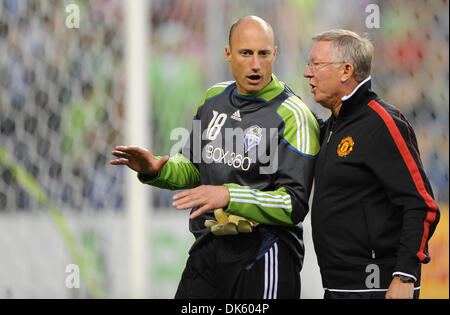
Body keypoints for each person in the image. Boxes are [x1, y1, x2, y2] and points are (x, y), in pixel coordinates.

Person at [110, 15, 320, 298]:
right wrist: (156, 170)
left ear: (275, 54)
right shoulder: (213, 98)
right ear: (228, 54)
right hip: (208, 250)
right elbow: (195, 169)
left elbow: (294, 203)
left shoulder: (294, 115)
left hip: (264, 253)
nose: (255, 64)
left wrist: (229, 196)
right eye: (246, 53)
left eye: (263, 54)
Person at [303, 29, 440, 299]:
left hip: (378, 288)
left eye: (316, 64)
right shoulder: (334, 124)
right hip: (338, 287)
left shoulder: (383, 124)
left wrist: (405, 276)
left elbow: (421, 205)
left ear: (346, 71)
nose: (308, 73)